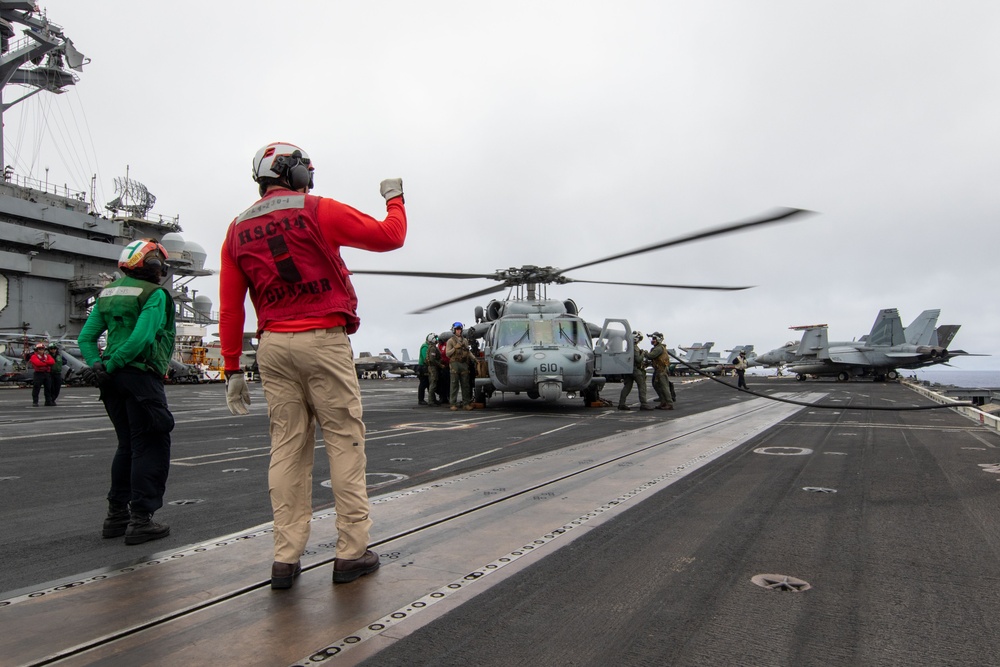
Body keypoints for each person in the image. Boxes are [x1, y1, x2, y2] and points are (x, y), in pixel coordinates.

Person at [219, 141, 406, 589]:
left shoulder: (236, 229)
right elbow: (390, 236)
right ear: (292, 171)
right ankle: (351, 552)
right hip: (322, 338)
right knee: (343, 441)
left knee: (286, 449)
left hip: (273, 346)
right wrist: (395, 198)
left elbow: (231, 309)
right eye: (306, 167)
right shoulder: (317, 209)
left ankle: (285, 559)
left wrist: (232, 368)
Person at [78, 239, 177, 545]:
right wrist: (118, 362)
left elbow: (86, 337)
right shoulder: (155, 294)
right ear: (152, 266)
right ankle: (141, 520)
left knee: (127, 445)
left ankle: (116, 516)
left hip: (111, 380)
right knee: (151, 444)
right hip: (140, 377)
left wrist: (99, 365)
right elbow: (143, 337)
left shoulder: (107, 294)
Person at [619, 331, 654, 411]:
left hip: (628, 369)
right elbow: (638, 360)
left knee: (627, 387)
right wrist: (643, 353)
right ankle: (644, 404)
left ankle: (621, 404)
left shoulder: (628, 347)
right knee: (642, 386)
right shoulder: (634, 348)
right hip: (635, 370)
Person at [446, 322, 473, 410]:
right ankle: (453, 404)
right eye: (457, 329)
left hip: (464, 364)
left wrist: (475, 360)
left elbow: (468, 352)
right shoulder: (450, 341)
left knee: (465, 385)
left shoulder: (464, 340)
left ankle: (466, 403)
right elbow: (447, 353)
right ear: (454, 330)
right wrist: (455, 348)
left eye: (460, 329)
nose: (459, 331)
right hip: (455, 364)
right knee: (454, 385)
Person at [647, 332, 674, 410]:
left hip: (661, 370)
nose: (652, 340)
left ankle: (669, 403)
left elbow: (651, 356)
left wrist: (644, 353)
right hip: (658, 370)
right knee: (656, 385)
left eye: (654, 339)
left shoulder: (659, 348)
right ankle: (663, 401)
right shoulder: (657, 348)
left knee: (664, 387)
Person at [424, 333, 444, 406]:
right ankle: (431, 401)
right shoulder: (432, 348)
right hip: (433, 368)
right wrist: (440, 365)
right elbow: (432, 359)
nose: (437, 340)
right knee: (433, 383)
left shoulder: (433, 347)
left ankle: (433, 400)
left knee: (433, 383)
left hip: (433, 367)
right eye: (436, 338)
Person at [417, 333, 434, 405]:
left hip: (426, 367)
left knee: (428, 384)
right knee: (423, 384)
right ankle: (421, 399)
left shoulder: (429, 346)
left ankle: (432, 399)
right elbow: (425, 358)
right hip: (423, 368)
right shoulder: (425, 347)